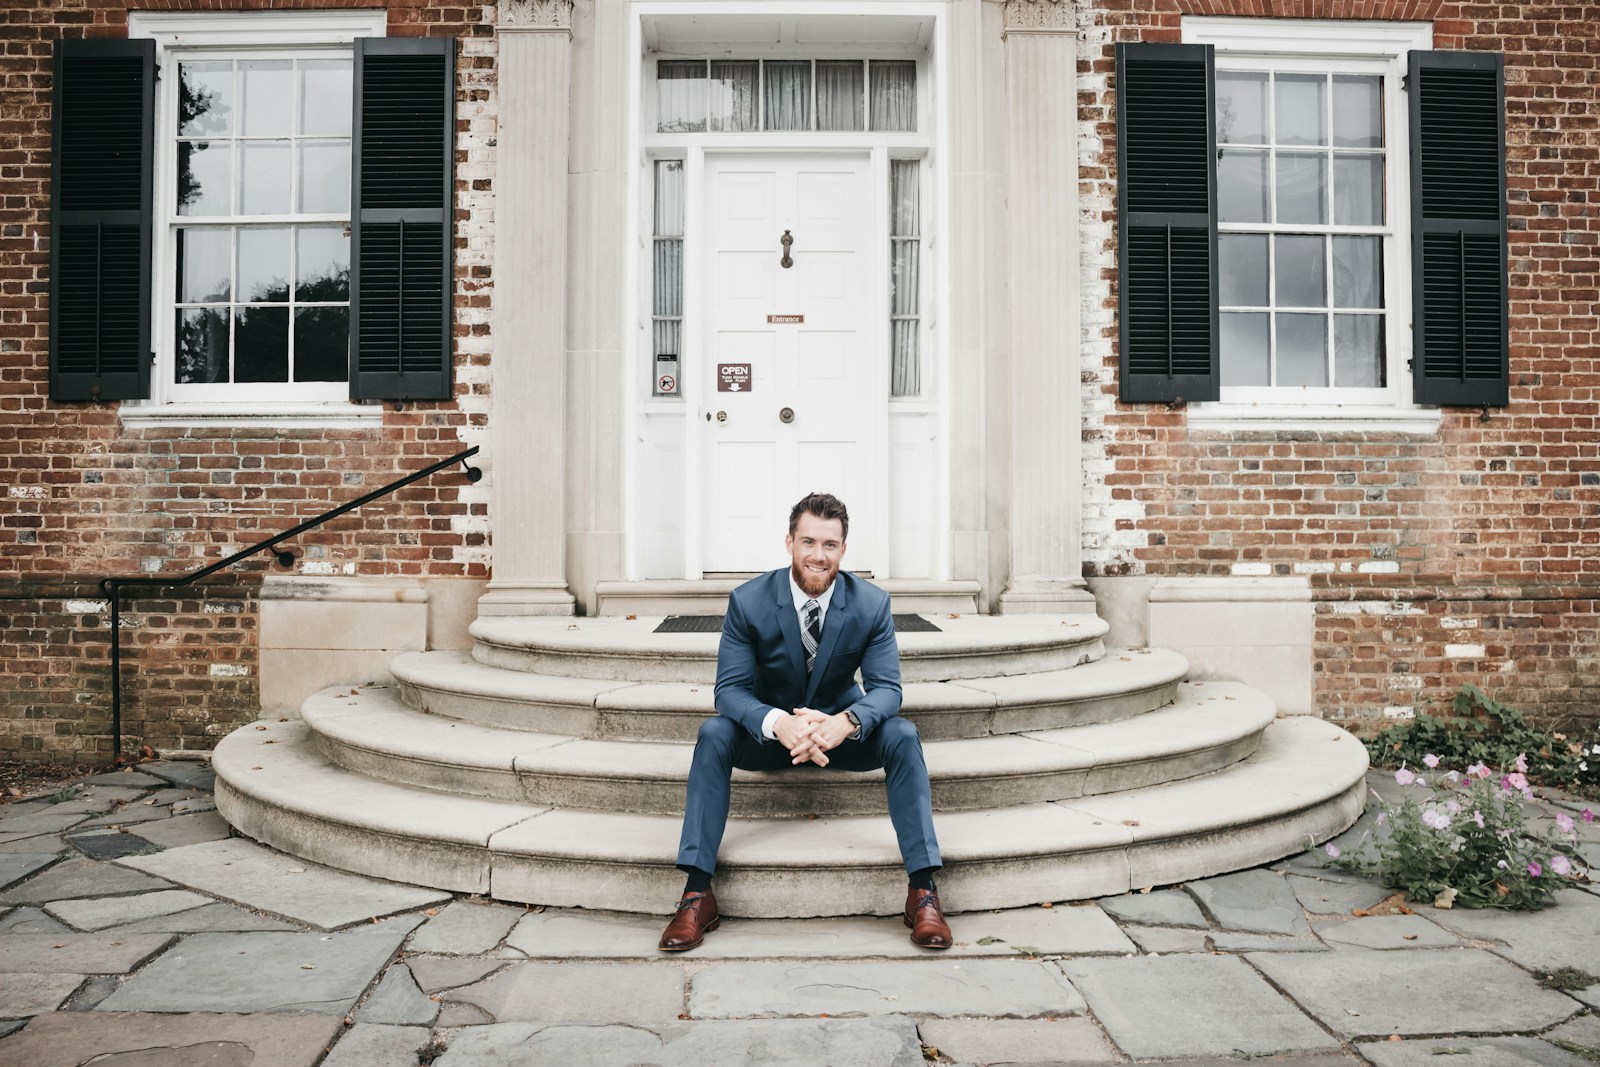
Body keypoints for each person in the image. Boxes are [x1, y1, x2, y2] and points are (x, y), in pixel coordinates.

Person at [659, 492, 950, 951]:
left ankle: (923, 891)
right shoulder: (749, 601)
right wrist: (778, 722)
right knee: (713, 732)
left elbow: (888, 690)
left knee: (902, 734)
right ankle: (697, 893)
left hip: (839, 734)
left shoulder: (871, 604)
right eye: (809, 542)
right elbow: (728, 691)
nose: (819, 556)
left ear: (843, 550)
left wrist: (847, 721)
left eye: (830, 545)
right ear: (790, 542)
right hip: (770, 737)